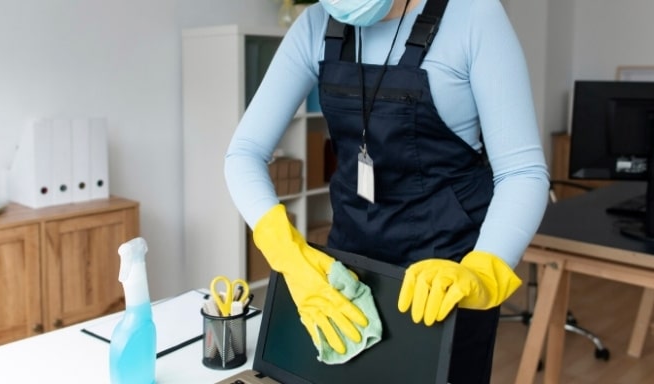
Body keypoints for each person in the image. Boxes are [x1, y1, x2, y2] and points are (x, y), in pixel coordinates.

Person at [225, 0, 549, 382]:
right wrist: (289, 255)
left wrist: (483, 270)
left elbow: (522, 172)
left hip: (445, 276)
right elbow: (244, 154)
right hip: (350, 266)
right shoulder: (315, 25)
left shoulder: (474, 15)